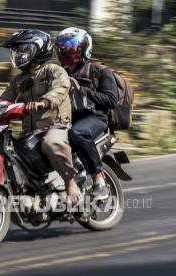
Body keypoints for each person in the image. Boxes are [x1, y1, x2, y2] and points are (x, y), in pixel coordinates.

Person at [0, 29, 81, 205]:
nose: (19, 55)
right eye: (17, 52)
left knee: (52, 144)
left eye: (23, 51)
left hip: (54, 125)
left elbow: (61, 88)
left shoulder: (53, 70)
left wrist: (43, 102)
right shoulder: (19, 80)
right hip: (30, 131)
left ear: (38, 49)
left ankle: (70, 182)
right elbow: (3, 100)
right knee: (7, 151)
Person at [55, 27, 118, 200]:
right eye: (62, 47)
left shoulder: (100, 70)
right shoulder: (60, 74)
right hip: (68, 119)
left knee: (78, 133)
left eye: (71, 47)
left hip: (95, 118)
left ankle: (99, 179)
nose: (66, 51)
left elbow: (111, 100)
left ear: (83, 48)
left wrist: (83, 90)